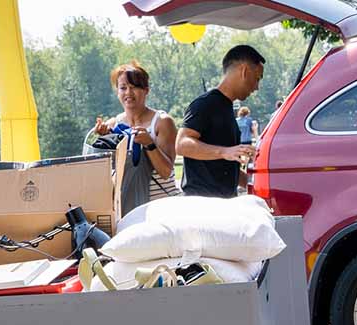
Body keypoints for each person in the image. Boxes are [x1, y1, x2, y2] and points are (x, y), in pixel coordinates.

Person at [89, 60, 181, 216]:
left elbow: (166, 171)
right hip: (131, 211)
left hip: (163, 209)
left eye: (134, 87)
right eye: (123, 88)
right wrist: (106, 138)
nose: (128, 93)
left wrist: (149, 144)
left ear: (146, 90)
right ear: (117, 92)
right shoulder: (114, 124)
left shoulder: (162, 121)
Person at [175, 45, 265, 198]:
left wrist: (260, 186)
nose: (257, 87)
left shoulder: (228, 108)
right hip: (202, 205)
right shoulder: (205, 103)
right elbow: (181, 144)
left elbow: (228, 168)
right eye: (257, 79)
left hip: (225, 204)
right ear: (244, 71)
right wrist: (224, 152)